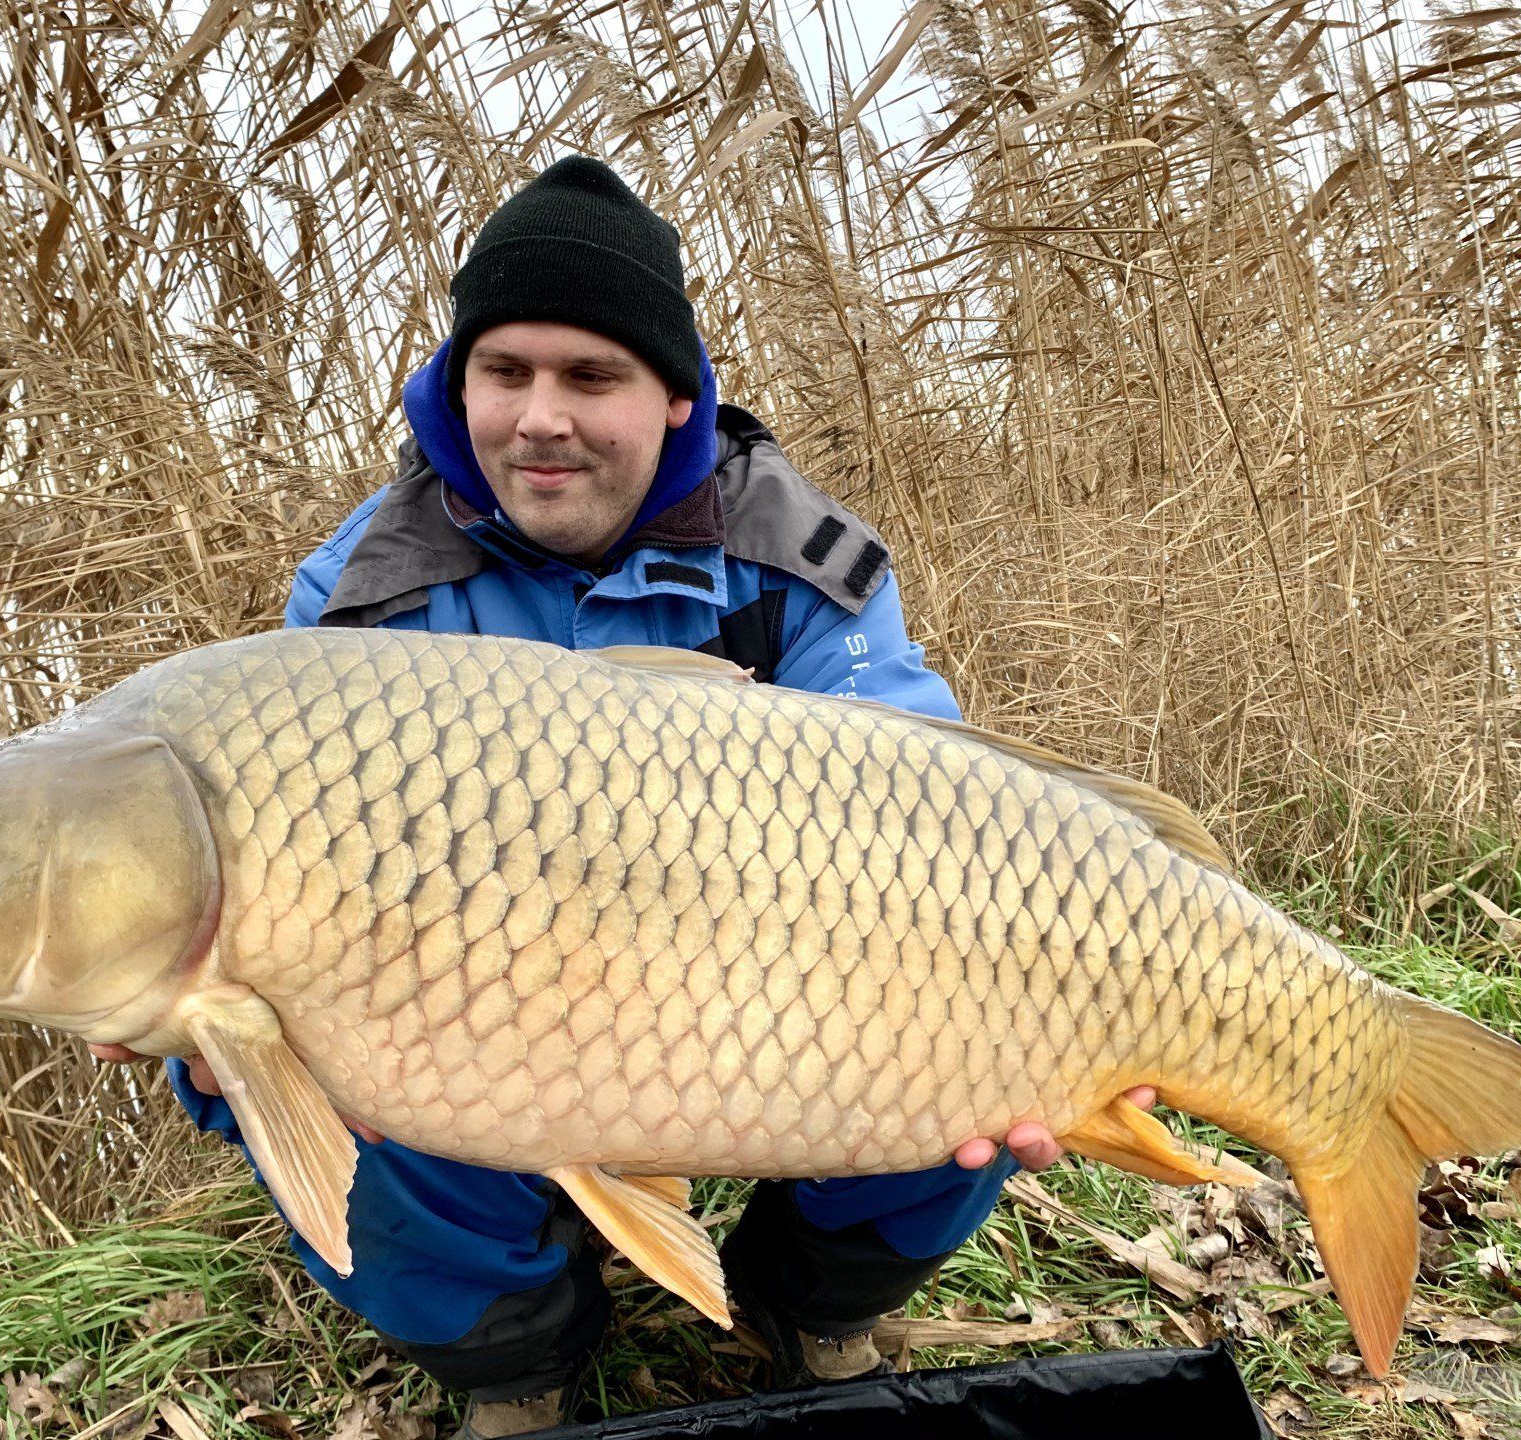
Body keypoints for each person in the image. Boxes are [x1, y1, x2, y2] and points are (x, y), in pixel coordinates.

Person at [91, 155, 1154, 1439]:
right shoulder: (362, 594)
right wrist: (185, 997)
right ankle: (517, 1365)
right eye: (506, 373)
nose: (542, 417)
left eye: (590, 377)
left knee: (970, 1040)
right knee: (331, 1071)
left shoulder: (799, 563)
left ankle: (815, 1304)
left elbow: (934, 808)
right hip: (480, 1007)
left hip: (768, 987)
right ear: (454, 386)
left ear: (673, 399)